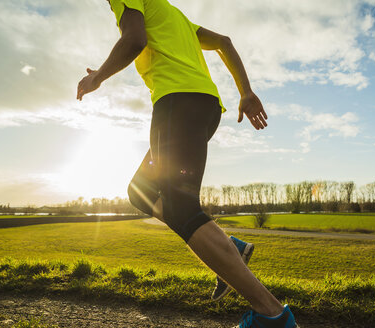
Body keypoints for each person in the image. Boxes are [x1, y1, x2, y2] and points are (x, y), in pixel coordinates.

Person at [77, 0, 298, 327]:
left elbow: (134, 40)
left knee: (181, 206)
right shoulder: (174, 15)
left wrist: (99, 77)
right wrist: (246, 92)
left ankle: (271, 314)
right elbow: (225, 43)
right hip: (205, 107)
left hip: (177, 101)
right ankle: (229, 250)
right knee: (140, 191)